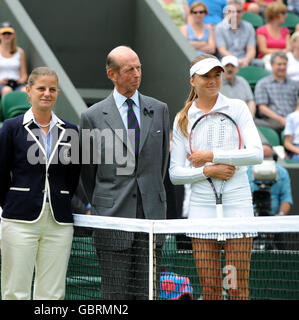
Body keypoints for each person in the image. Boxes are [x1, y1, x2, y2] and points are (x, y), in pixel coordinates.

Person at [169, 54, 263, 300]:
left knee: (236, 288)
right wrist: (208, 170)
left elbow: (255, 154)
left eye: (217, 75)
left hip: (238, 204)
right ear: (193, 81)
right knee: (210, 290)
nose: (213, 80)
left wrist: (211, 155)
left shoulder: (238, 108)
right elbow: (175, 174)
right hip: (201, 208)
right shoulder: (183, 118)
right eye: (206, 76)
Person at [80, 45, 170, 299]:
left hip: (151, 218)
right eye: (129, 69)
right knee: (114, 295)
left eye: (139, 67)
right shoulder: (92, 116)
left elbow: (160, 165)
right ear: (112, 74)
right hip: (112, 219)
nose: (137, 74)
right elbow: (88, 173)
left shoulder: (160, 109)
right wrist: (107, 199)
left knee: (147, 293)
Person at [0, 66, 81, 300]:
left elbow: (72, 176)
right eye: (41, 88)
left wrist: (60, 196)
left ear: (58, 93)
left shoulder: (71, 130)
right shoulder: (12, 128)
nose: (47, 93)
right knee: (15, 291)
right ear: (28, 91)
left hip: (59, 221)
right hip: (19, 219)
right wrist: (14, 200)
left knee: (53, 293)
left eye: (52, 89)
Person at [254, 51, 299, 132]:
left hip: (292, 120)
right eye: (279, 64)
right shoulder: (263, 83)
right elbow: (262, 108)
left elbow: (297, 104)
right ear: (272, 65)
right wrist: (281, 119)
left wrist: (292, 118)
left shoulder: (294, 84)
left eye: (284, 64)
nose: (282, 67)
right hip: (272, 120)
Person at [0, 21, 28, 97]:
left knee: (25, 91)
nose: (6, 36)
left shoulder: (20, 52)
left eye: (9, 33)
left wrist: (20, 80)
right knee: (7, 90)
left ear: (13, 35)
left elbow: (24, 75)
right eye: (4, 33)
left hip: (16, 84)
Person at [248, 143, 293, 215]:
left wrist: (280, 215)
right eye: (261, 159)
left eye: (267, 159)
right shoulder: (246, 171)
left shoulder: (282, 172)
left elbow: (286, 198)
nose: (264, 163)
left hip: (273, 216)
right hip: (249, 216)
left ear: (274, 158)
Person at [215, 0, 263, 68]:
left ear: (243, 12)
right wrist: (236, 61)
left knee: (259, 63)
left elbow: (251, 49)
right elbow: (222, 51)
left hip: (245, 60)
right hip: (227, 60)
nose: (236, 14)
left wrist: (246, 61)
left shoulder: (249, 27)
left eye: (239, 11)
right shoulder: (219, 28)